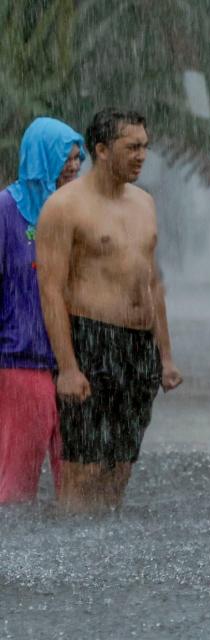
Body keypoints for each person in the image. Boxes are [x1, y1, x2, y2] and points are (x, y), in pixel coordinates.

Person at [35, 108, 182, 513]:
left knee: (121, 463)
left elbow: (153, 282)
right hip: (91, 341)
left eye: (145, 147)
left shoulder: (145, 203)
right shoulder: (64, 207)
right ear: (100, 149)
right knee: (84, 465)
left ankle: (105, 555)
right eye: (131, 147)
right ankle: (71, 554)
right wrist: (67, 366)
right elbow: (50, 291)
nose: (141, 155)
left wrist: (165, 357)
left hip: (138, 348)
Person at [0, 117, 84, 504]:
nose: (73, 166)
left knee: (80, 484)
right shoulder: (6, 211)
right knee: (16, 484)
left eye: (77, 158)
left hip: (73, 365)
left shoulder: (77, 213)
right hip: (20, 362)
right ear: (39, 160)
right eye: (64, 158)